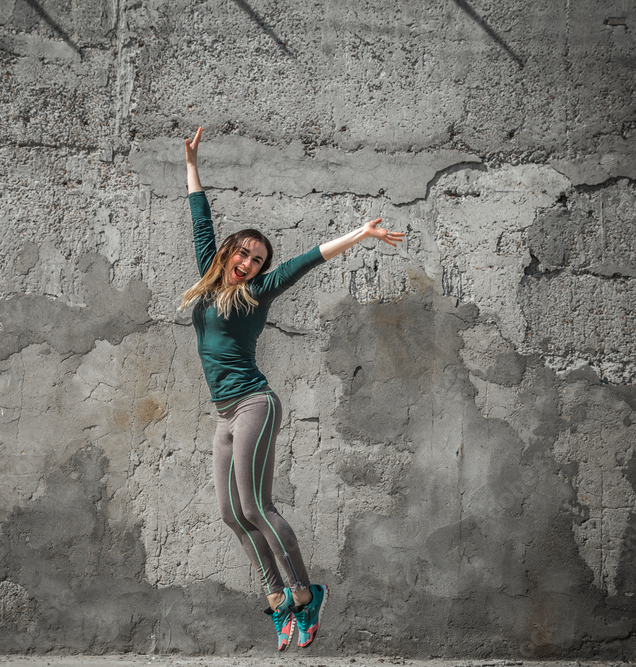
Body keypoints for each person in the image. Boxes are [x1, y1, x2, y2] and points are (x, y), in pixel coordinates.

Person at [180, 127, 403, 651]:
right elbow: (200, 221)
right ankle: (279, 600)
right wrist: (191, 163)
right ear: (230, 253)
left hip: (255, 403)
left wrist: (360, 234)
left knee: (256, 505)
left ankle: (307, 592)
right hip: (224, 415)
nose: (250, 264)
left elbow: (307, 258)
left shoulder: (257, 292)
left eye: (258, 260)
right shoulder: (212, 279)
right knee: (232, 514)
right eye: (245, 255)